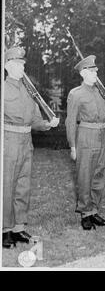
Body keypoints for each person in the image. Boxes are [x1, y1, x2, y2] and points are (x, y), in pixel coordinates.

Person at [3, 47, 59, 248]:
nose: (22, 68)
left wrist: (47, 124)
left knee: (23, 185)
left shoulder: (29, 91)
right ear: (7, 66)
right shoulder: (3, 88)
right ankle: (5, 229)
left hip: (27, 141)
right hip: (8, 141)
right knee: (7, 185)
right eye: (18, 64)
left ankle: (18, 227)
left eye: (23, 64)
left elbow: (35, 119)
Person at [66, 55, 105, 230]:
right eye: (92, 71)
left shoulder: (100, 93)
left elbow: (103, 116)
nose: (95, 73)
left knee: (100, 174)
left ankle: (94, 210)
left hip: (101, 136)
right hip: (85, 136)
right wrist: (72, 146)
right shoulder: (75, 94)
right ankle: (85, 213)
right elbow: (70, 121)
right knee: (85, 175)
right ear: (83, 73)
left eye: (96, 71)